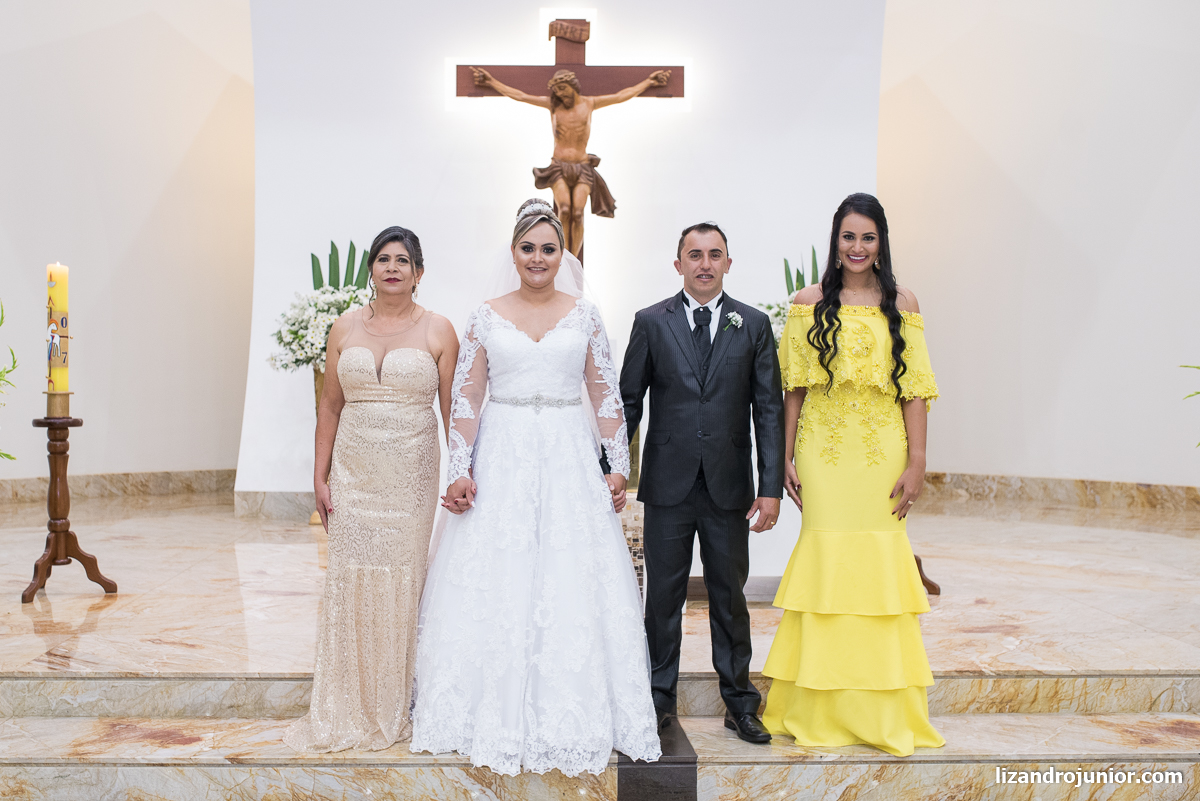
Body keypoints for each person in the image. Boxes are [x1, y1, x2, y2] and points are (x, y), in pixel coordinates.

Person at [409, 200, 660, 776]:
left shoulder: (585, 315)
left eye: (549, 248)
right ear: (513, 253)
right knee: (502, 571)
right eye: (529, 248)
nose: (539, 258)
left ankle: (574, 709)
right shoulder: (485, 316)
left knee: (571, 573)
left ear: (561, 255)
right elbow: (468, 399)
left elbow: (604, 395)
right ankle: (483, 711)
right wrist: (460, 470)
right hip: (505, 451)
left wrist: (618, 465)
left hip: (570, 456)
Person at [762, 193, 945, 756]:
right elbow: (792, 389)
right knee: (826, 563)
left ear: (881, 243)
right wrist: (785, 457)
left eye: (868, 237)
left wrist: (916, 462)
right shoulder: (807, 302)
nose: (858, 247)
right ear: (834, 241)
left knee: (879, 566)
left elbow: (914, 391)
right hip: (823, 448)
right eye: (848, 237)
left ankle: (882, 707)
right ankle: (816, 705)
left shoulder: (904, 301)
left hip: (882, 453)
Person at [284, 226, 459, 753]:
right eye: (383, 259)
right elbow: (330, 405)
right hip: (354, 472)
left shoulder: (439, 331)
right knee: (350, 577)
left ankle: (393, 700)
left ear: (419, 273)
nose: (392, 268)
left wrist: (461, 473)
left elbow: (455, 412)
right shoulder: (343, 328)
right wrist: (320, 473)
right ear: (372, 270)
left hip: (410, 474)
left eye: (402, 260)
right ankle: (345, 702)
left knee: (402, 578)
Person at [620, 222, 785, 744]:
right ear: (678, 264)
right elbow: (628, 402)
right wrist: (614, 469)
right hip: (668, 486)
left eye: (715, 255)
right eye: (695, 254)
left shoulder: (753, 325)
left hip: (729, 486)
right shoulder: (651, 322)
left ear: (728, 264)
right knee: (662, 599)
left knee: (729, 596)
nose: (705, 263)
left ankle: (740, 703)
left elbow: (769, 411)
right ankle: (656, 701)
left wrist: (771, 486)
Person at [469, 66, 670, 257]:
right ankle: (562, 257)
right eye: (557, 91)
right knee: (564, 209)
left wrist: (648, 82)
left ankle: (572, 260)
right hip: (558, 167)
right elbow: (520, 96)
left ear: (573, 86)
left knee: (578, 213)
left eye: (563, 89)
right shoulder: (552, 105)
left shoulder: (589, 103)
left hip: (582, 167)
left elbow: (620, 96)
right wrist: (492, 82)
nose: (561, 95)